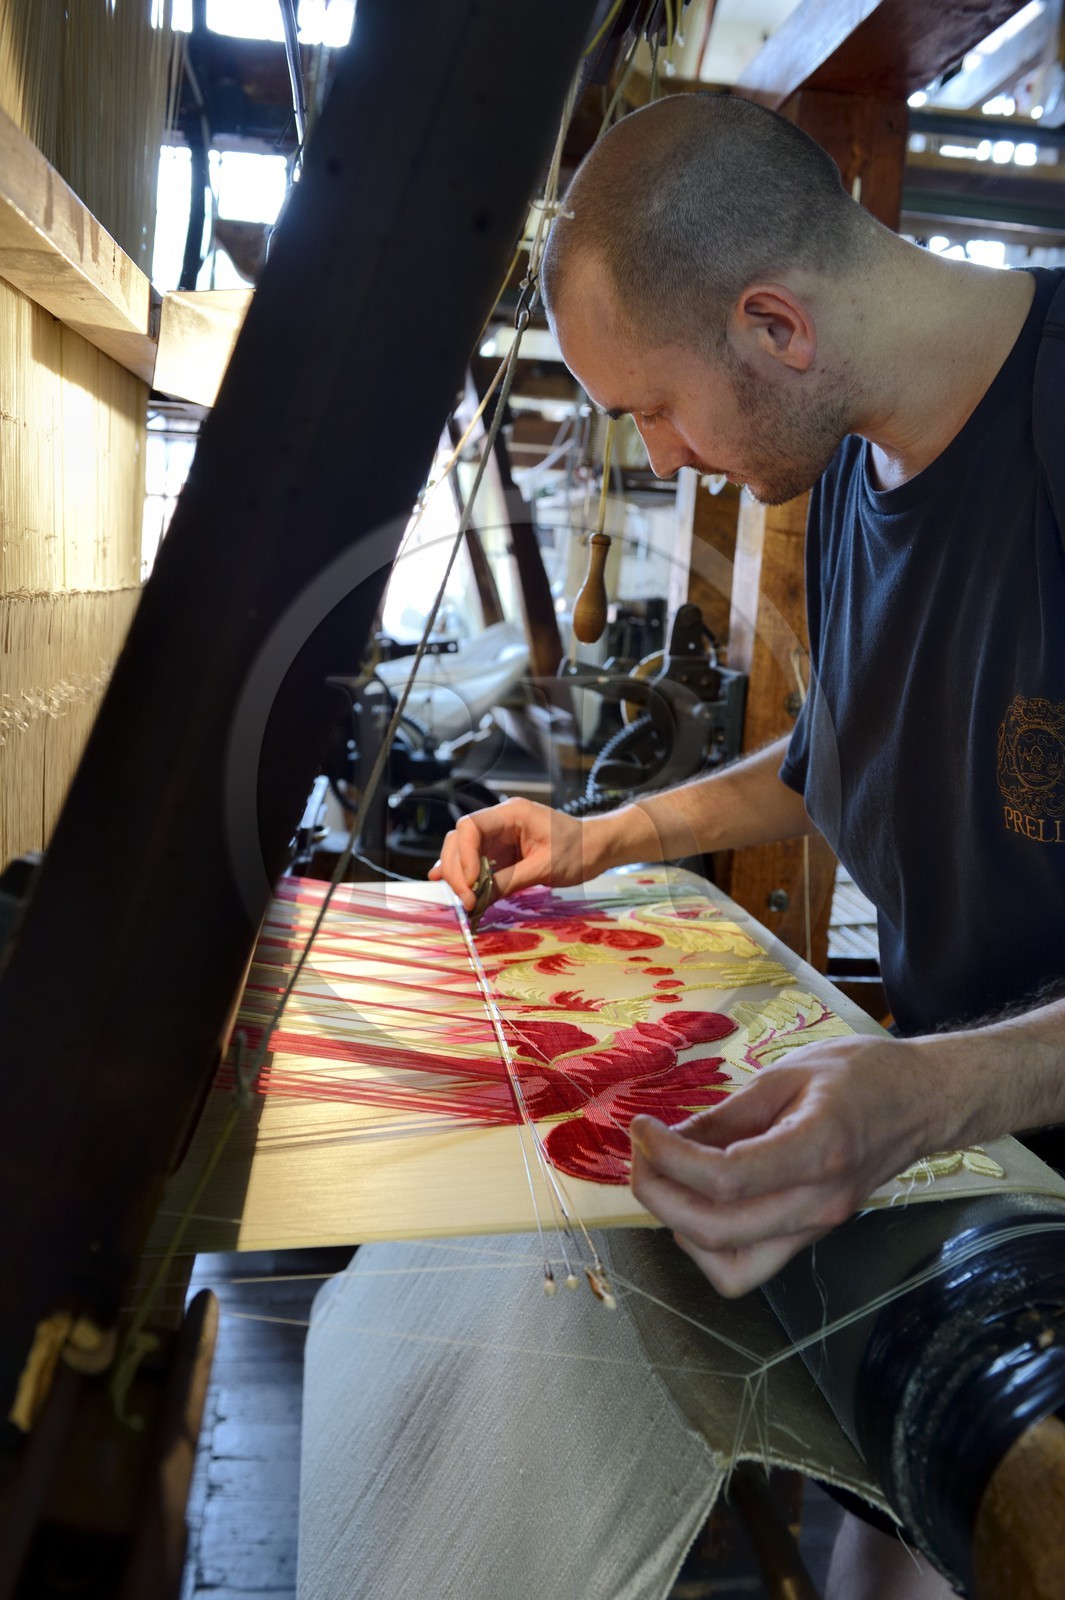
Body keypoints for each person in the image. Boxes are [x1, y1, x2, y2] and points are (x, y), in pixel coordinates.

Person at [422, 90, 1065, 1598]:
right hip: (968, 1168)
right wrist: (605, 836)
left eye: (653, 408)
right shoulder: (848, 468)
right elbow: (844, 756)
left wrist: (945, 1080)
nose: (661, 457)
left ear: (772, 324)